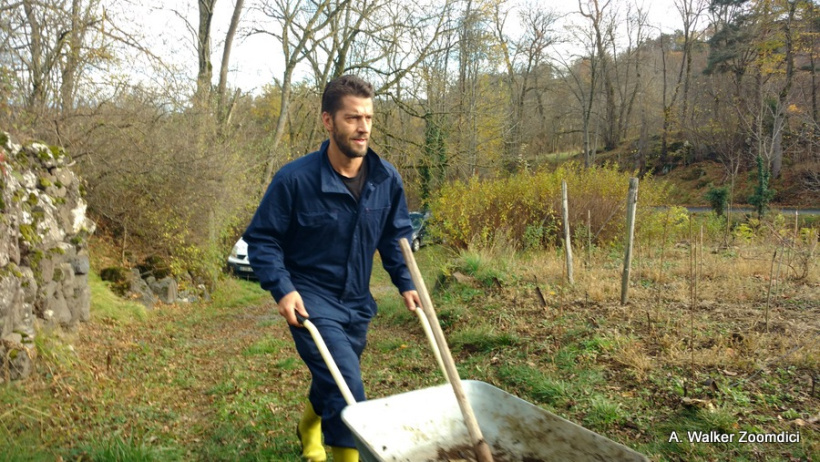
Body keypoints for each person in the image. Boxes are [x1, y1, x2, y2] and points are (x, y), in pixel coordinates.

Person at [243, 74, 421, 462]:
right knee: (347, 385)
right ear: (328, 121)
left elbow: (396, 237)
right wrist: (282, 288)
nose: (363, 128)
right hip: (310, 298)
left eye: (369, 118)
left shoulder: (385, 178)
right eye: (352, 118)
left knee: (334, 375)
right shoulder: (296, 179)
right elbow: (263, 239)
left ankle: (308, 426)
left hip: (357, 301)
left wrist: (406, 282)